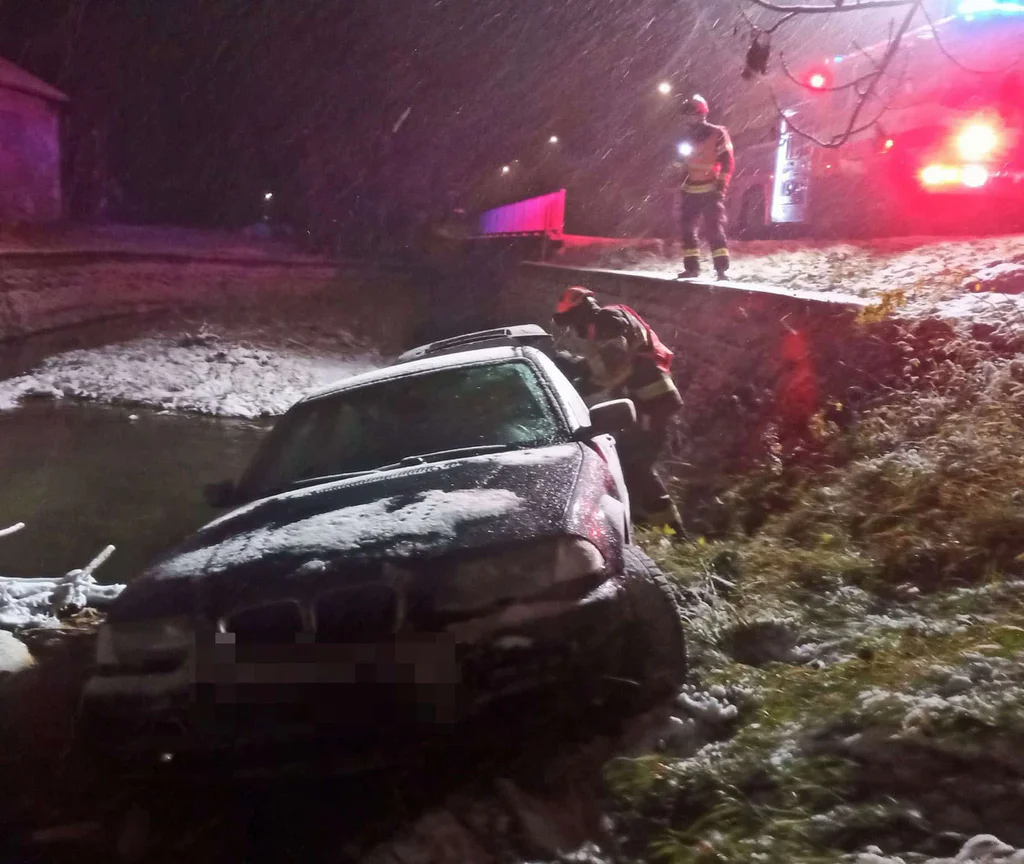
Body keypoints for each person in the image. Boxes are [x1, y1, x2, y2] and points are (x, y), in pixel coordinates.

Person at [551, 286, 685, 536]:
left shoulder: (607, 320)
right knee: (628, 462)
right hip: (645, 402)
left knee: (637, 465)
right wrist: (578, 368)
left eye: (570, 321)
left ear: (580, 311)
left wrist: (580, 380)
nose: (572, 329)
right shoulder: (606, 322)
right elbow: (608, 362)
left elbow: (616, 366)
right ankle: (651, 524)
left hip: (651, 402)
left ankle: (673, 532)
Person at [675, 94, 735, 281]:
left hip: (710, 190)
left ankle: (721, 270)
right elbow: (681, 163)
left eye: (690, 114)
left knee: (714, 229)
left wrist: (721, 185)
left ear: (701, 114)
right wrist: (679, 180)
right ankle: (692, 268)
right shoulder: (684, 138)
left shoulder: (717, 133)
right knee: (687, 229)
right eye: (685, 115)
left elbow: (727, 161)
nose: (687, 119)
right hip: (690, 190)